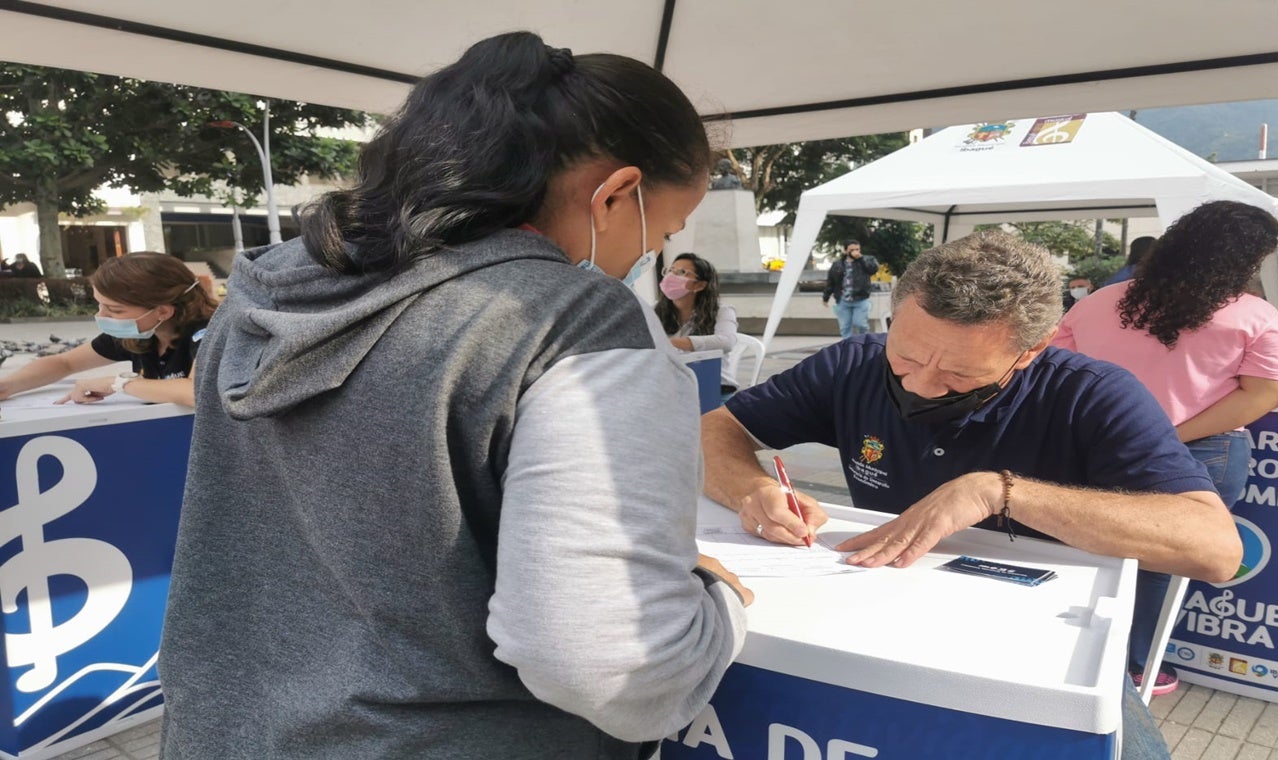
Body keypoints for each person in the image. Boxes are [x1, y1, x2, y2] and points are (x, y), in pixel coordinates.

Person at [158, 32, 750, 760]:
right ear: (616, 193)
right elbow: (604, 659)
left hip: (227, 731)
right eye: (662, 230)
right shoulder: (567, 320)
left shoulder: (268, 288)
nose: (650, 256)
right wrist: (716, 611)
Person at [701, 229, 1241, 760]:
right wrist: (754, 489)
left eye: (959, 375)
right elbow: (712, 431)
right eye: (907, 356)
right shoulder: (854, 364)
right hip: (870, 614)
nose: (920, 385)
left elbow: (1216, 550)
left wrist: (999, 493)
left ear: (1031, 351)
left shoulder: (1092, 395)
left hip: (1042, 651)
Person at [1055, 200, 1278, 696]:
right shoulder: (1253, 315)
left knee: (1087, 546)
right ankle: (1140, 665)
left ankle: (1079, 659)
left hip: (1097, 447)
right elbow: (1270, 390)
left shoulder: (1100, 301)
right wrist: (1169, 435)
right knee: (1163, 563)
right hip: (1202, 452)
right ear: (1246, 260)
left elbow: (1059, 370)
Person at [0, 252, 213, 407]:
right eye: (99, 305)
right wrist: (8, 385)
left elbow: (197, 392)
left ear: (163, 312)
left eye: (115, 310)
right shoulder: (140, 334)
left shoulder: (213, 332)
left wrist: (119, 383)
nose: (101, 316)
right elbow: (64, 363)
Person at [655, 252, 740, 400]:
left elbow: (726, 341)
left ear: (700, 285)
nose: (671, 276)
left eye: (681, 272)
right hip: (672, 388)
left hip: (715, 387)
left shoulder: (722, 311)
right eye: (670, 270)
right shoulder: (654, 310)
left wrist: (671, 343)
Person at [822, 239, 879, 338]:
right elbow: (831, 282)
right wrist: (825, 297)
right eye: (852, 250)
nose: (855, 252)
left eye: (857, 249)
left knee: (861, 324)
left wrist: (861, 259)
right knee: (845, 327)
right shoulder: (837, 265)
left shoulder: (866, 260)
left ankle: (864, 344)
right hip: (843, 300)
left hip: (860, 299)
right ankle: (847, 348)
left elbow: (873, 269)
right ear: (845, 251)